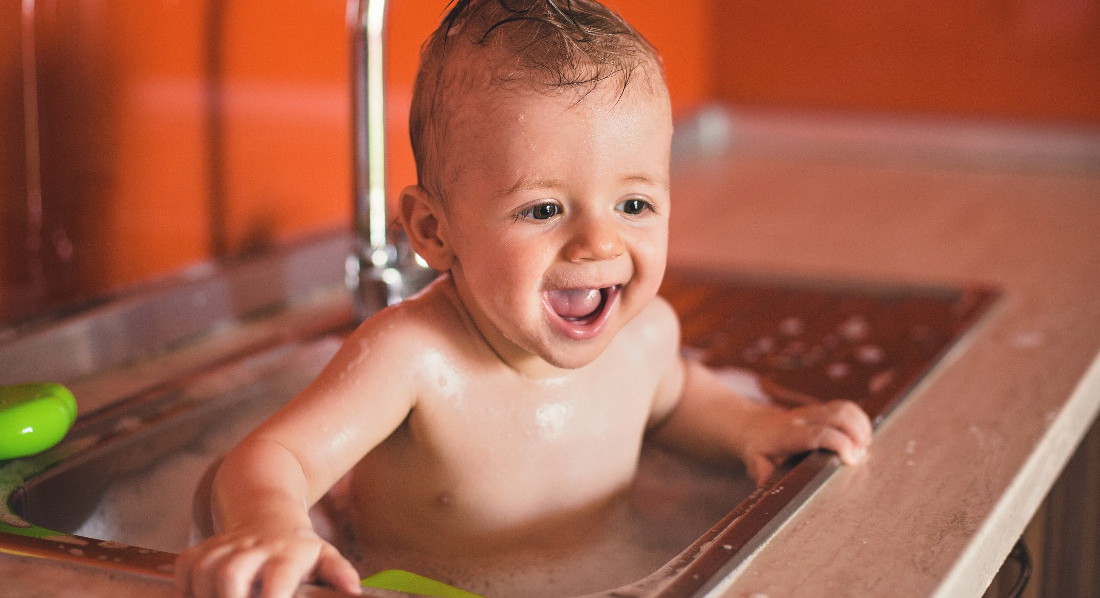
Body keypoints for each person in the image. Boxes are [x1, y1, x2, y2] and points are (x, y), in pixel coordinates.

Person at [174, 1, 872, 596]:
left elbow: (679, 398)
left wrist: (753, 428)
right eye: (542, 210)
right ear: (432, 231)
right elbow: (273, 459)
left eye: (633, 203)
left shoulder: (645, 336)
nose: (598, 243)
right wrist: (269, 524)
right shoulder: (412, 357)